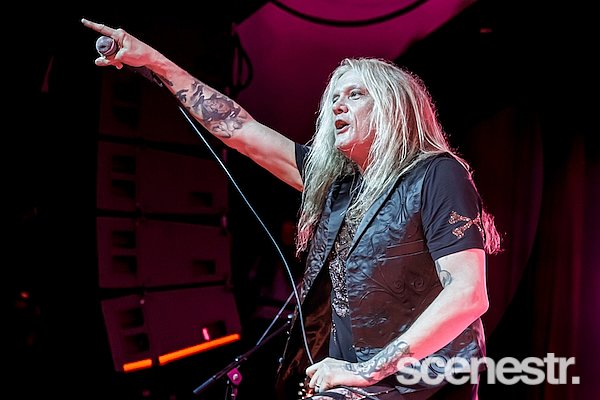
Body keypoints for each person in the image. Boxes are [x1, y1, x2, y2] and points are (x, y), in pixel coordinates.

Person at [82, 18, 501, 400]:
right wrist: (154, 61)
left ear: (394, 108)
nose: (337, 105)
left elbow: (468, 294)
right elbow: (239, 128)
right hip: (356, 380)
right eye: (334, 97)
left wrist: (369, 370)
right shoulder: (336, 186)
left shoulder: (436, 174)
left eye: (355, 94)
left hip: (423, 382)